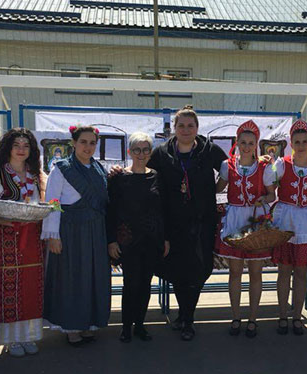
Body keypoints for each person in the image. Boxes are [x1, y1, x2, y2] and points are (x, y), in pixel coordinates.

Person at [147, 106, 227, 341]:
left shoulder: (209, 150)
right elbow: (145, 173)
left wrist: (215, 189)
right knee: (177, 270)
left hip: (202, 222)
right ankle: (185, 317)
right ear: (174, 128)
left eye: (190, 125)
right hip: (173, 223)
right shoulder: (162, 153)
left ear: (197, 128)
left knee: (199, 271)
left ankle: (187, 317)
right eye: (181, 125)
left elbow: (232, 169)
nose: (185, 130)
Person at [42, 125, 111, 346]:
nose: (87, 147)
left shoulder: (98, 169)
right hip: (71, 231)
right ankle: (71, 327)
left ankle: (88, 323)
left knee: (92, 276)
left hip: (95, 230)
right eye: (83, 142)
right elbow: (53, 203)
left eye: (92, 143)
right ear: (73, 143)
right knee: (72, 278)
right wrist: (53, 235)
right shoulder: (61, 169)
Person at [0, 128, 46, 357]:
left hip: (33, 236)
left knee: (31, 285)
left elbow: (44, 202)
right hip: (6, 237)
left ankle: (28, 335)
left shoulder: (37, 175)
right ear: (8, 148)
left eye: (26, 146)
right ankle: (11, 339)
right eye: (16, 145)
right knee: (8, 285)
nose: (21, 150)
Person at [214, 120, 275, 338]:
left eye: (251, 143)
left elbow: (272, 195)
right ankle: (236, 317)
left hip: (255, 220)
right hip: (234, 220)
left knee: (256, 273)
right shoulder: (227, 165)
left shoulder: (265, 167)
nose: (247, 147)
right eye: (243, 142)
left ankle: (253, 318)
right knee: (235, 272)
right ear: (237, 143)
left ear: (256, 144)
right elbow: (217, 188)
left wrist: (263, 199)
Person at [265, 120, 307, 336]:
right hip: (286, 219)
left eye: (304, 141)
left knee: (301, 271)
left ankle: (297, 316)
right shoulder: (282, 164)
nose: (301, 146)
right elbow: (268, 180)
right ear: (291, 143)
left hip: (306, 220)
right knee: (283, 270)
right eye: (297, 142)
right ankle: (282, 315)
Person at [107, 132, 168, 343]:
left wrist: (165, 238)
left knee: (145, 285)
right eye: (136, 150)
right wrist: (111, 240)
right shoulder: (119, 178)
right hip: (128, 240)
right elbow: (110, 211)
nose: (141, 154)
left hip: (151, 240)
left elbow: (163, 211)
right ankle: (126, 327)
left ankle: (140, 325)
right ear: (129, 152)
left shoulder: (157, 177)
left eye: (145, 150)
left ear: (150, 152)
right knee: (131, 284)